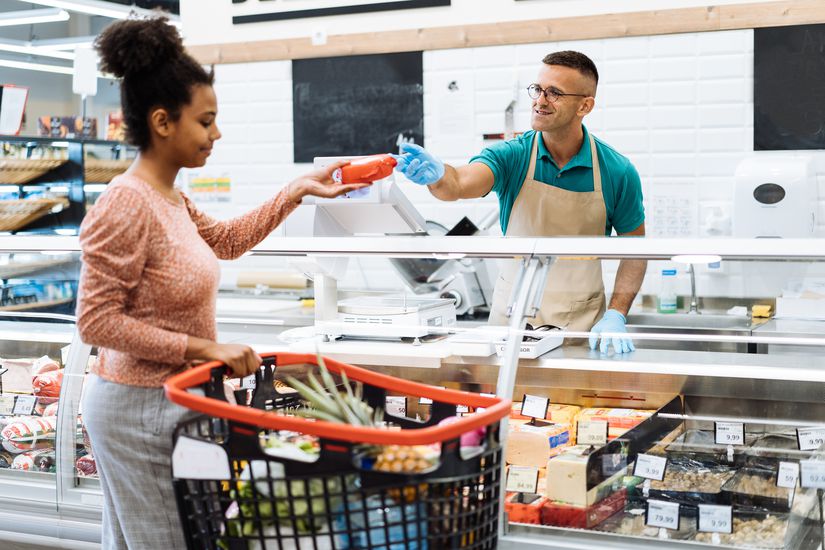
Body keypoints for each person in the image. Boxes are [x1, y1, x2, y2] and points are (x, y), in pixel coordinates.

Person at [76, 17, 367, 550]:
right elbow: (96, 322)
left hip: (173, 400)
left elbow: (227, 241)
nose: (216, 134)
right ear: (163, 122)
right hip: (136, 406)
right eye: (205, 121)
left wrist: (296, 191)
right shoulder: (125, 202)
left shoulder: (171, 198)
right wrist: (203, 347)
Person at [394, 50, 647, 354]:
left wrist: (617, 314)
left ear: (585, 105)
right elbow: (459, 183)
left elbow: (636, 251)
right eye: (538, 89)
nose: (540, 100)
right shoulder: (512, 156)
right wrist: (437, 176)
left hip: (579, 329)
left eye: (554, 93)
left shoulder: (617, 171)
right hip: (511, 326)